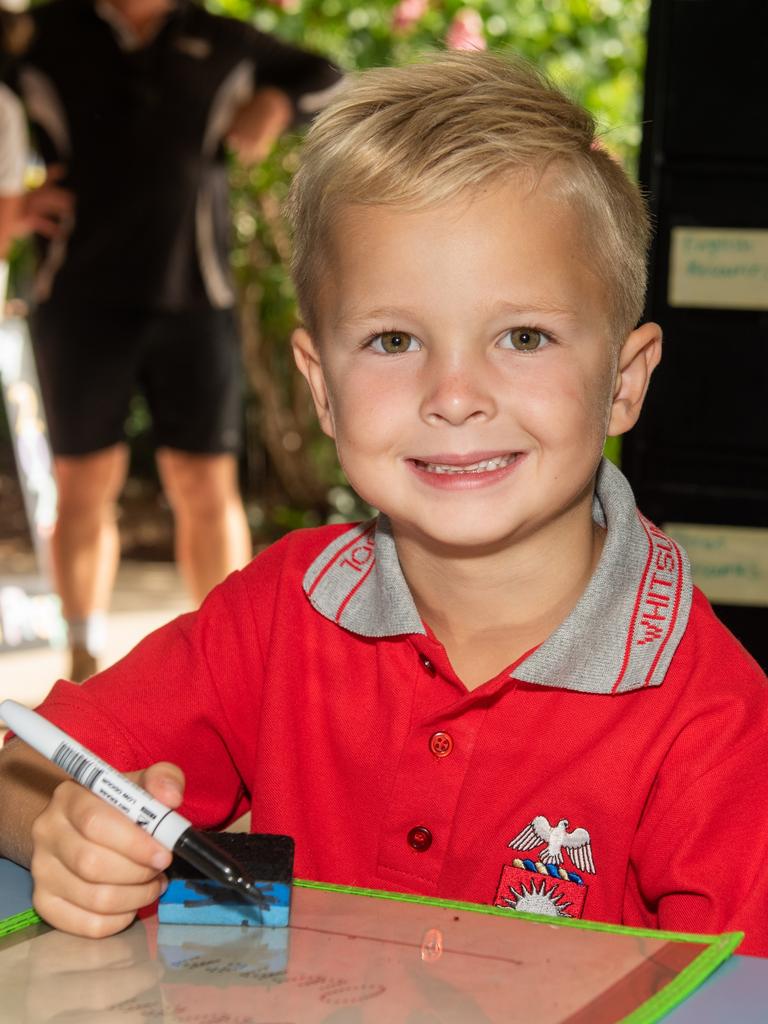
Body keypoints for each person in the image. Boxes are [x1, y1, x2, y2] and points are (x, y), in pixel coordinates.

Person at [1, 51, 767, 955]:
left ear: (625, 382)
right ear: (321, 387)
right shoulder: (277, 610)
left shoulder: (709, 714)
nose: (453, 393)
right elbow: (26, 769)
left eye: (523, 336)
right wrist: (71, 840)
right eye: (393, 338)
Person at [11, 0, 342, 681]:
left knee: (203, 481)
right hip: (79, 300)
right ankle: (83, 666)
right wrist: (10, 206)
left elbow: (329, 77)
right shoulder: (43, 32)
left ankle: (233, 670)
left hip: (196, 297)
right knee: (84, 483)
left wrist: (276, 100)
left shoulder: (219, 38)